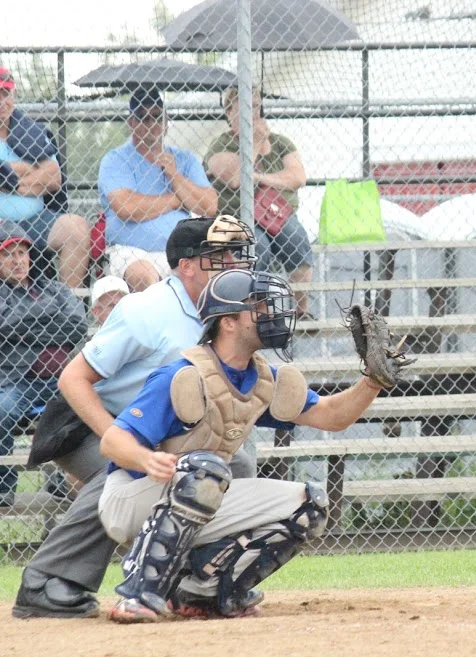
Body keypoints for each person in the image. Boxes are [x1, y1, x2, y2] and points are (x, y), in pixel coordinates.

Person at [99, 268, 392, 622]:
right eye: (259, 307)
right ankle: (137, 594)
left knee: (308, 505)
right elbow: (113, 441)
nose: (272, 313)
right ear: (228, 322)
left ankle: (203, 591)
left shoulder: (261, 379)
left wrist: (372, 382)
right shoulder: (183, 375)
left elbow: (332, 416)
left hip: (200, 492)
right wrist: (147, 459)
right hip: (133, 496)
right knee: (205, 471)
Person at [12, 215, 256, 619]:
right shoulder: (149, 309)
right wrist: (119, 441)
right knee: (122, 468)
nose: (233, 263)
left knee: (237, 462)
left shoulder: (222, 312)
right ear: (188, 266)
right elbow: (73, 378)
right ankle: (48, 580)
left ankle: (198, 581)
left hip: (155, 424)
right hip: (84, 421)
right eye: (220, 255)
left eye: (235, 254)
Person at [205, 87, 314, 318]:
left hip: (277, 213)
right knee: (259, 246)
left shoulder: (280, 142)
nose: (252, 112)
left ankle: (301, 309)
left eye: (255, 106)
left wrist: (258, 177)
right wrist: (254, 143)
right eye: (244, 107)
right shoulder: (220, 145)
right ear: (229, 111)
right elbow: (235, 179)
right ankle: (256, 311)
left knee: (296, 238)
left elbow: (297, 177)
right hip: (237, 217)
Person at [98, 87, 219, 293]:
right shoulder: (116, 159)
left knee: (210, 275)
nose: (151, 124)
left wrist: (174, 175)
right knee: (145, 276)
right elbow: (126, 208)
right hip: (132, 252)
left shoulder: (184, 160)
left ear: (165, 122)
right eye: (143, 118)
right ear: (132, 123)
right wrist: (177, 199)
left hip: (181, 251)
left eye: (156, 117)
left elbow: (209, 206)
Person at [0, 221, 86, 507]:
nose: (17, 261)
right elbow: (4, 328)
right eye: (8, 255)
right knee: (2, 410)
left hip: (62, 379)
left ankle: (62, 481)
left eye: (22, 253)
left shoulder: (53, 288)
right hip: (19, 380)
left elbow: (76, 326)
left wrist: (26, 327)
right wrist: (50, 321)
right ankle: (4, 485)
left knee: (87, 407)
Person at [0, 67, 90, 288]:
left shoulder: (30, 132)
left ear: (14, 96)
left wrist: (10, 181)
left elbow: (53, 178)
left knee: (75, 228)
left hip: (34, 220)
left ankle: (68, 312)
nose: (2, 102)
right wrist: (30, 169)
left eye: (5, 94)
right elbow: (43, 175)